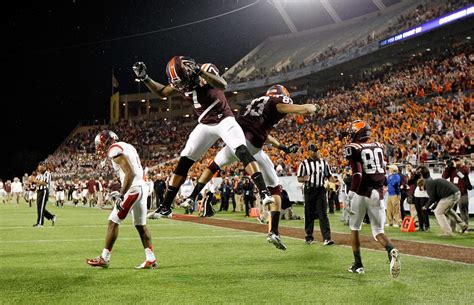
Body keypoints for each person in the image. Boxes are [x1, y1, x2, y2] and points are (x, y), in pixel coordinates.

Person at [179, 84, 317, 250]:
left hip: (235, 141)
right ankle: (273, 231)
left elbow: (265, 133)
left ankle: (192, 196)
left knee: (213, 166)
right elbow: (286, 108)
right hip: (252, 146)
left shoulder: (258, 102)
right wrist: (309, 107)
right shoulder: (275, 102)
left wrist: (282, 147)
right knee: (275, 190)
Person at [133, 57, 275, 219]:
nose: (180, 86)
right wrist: (145, 78)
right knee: (184, 160)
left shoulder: (205, 68)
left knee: (241, 149)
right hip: (205, 124)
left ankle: (264, 192)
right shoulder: (181, 80)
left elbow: (222, 85)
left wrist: (201, 73)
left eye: (182, 82)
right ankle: (165, 207)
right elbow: (162, 92)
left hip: (224, 119)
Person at [86, 131, 157, 269]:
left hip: (133, 189)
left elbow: (130, 173)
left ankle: (104, 258)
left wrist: (121, 194)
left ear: (107, 141)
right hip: (142, 187)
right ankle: (151, 258)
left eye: (100, 144)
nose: (100, 147)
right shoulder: (127, 146)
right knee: (140, 225)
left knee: (113, 221)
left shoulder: (114, 149)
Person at [344, 120, 400, 278]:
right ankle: (391, 250)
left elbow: (357, 174)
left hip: (362, 192)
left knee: (355, 228)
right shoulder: (379, 146)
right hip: (378, 193)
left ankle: (358, 264)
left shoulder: (353, 148)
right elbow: (382, 169)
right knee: (378, 232)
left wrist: (350, 195)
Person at [297, 144, 334, 246]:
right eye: (314, 151)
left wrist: (334, 181)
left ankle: (327, 238)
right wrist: (304, 179)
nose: (317, 152)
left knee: (323, 214)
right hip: (309, 190)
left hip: (320, 190)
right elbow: (299, 178)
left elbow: (329, 175)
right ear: (309, 152)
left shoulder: (323, 162)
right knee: (309, 214)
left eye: (317, 150)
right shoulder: (304, 164)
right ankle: (309, 236)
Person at [416, 166, 468, 236]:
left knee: (438, 212)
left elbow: (432, 198)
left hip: (450, 195)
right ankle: (463, 225)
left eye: (421, 188)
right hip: (457, 193)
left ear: (421, 185)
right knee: (448, 210)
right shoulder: (431, 182)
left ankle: (447, 232)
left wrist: (425, 207)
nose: (422, 190)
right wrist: (433, 206)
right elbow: (438, 199)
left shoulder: (428, 185)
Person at [442, 158, 471, 230]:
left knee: (463, 211)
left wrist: (456, 167)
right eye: (455, 161)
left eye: (457, 160)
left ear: (460, 161)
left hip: (463, 193)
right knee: (452, 211)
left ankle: (464, 227)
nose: (456, 162)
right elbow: (444, 177)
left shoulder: (464, 168)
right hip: (453, 194)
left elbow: (465, 173)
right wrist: (448, 167)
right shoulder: (451, 169)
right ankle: (452, 227)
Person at [29, 162, 56, 227]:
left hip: (44, 191)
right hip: (39, 191)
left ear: (45, 167)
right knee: (39, 208)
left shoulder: (47, 174)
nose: (40, 167)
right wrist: (31, 181)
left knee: (41, 208)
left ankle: (40, 223)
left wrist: (35, 181)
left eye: (42, 166)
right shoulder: (39, 175)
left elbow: (45, 183)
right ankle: (52, 217)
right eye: (39, 166)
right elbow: (37, 183)